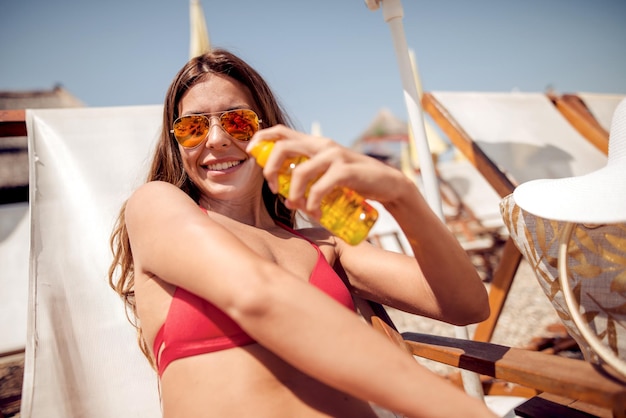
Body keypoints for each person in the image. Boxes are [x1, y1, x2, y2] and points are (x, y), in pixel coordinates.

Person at [108, 48, 494, 418]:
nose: (216, 139)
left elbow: (466, 304)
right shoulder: (155, 206)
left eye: (237, 121)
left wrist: (401, 194)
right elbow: (259, 296)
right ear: (177, 143)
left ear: (269, 131)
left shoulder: (323, 245)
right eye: (192, 127)